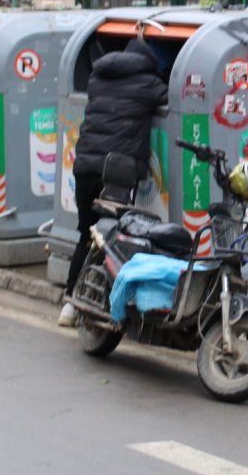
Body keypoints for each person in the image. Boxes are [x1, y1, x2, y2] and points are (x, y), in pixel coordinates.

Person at [58, 38, 168, 326]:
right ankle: (109, 304)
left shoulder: (97, 76)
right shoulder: (148, 84)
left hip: (85, 168)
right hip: (116, 173)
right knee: (116, 238)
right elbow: (174, 99)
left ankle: (69, 304)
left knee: (87, 233)